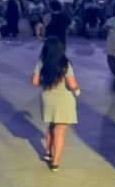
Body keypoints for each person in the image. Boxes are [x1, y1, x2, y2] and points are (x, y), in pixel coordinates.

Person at [31, 37, 81, 172]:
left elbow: (35, 82)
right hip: (63, 99)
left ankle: (48, 152)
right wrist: (77, 91)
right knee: (60, 131)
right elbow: (72, 84)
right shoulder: (65, 64)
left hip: (47, 97)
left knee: (51, 126)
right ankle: (55, 162)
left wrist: (47, 83)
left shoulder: (41, 61)